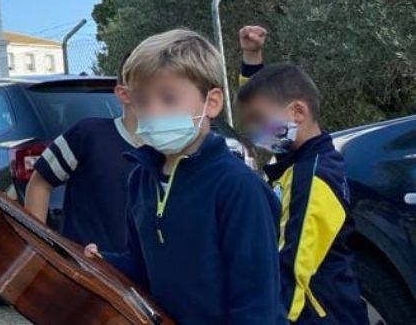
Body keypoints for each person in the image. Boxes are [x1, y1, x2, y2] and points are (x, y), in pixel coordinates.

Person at [85, 29, 284, 324]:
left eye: (168, 99)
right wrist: (105, 263)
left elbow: (257, 301)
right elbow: (142, 267)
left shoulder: (238, 186)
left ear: (211, 102)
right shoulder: (141, 179)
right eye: (142, 101)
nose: (154, 112)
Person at [238, 64, 368, 325]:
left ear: (297, 112)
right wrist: (251, 59)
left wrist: (269, 318)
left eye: (259, 120)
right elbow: (256, 95)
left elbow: (294, 267)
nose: (254, 132)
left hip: (319, 315)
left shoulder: (312, 178)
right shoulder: (298, 163)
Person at [24, 57, 141, 252]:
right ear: (124, 94)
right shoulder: (88, 134)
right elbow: (40, 183)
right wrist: (36, 247)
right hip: (83, 265)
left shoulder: (171, 150)